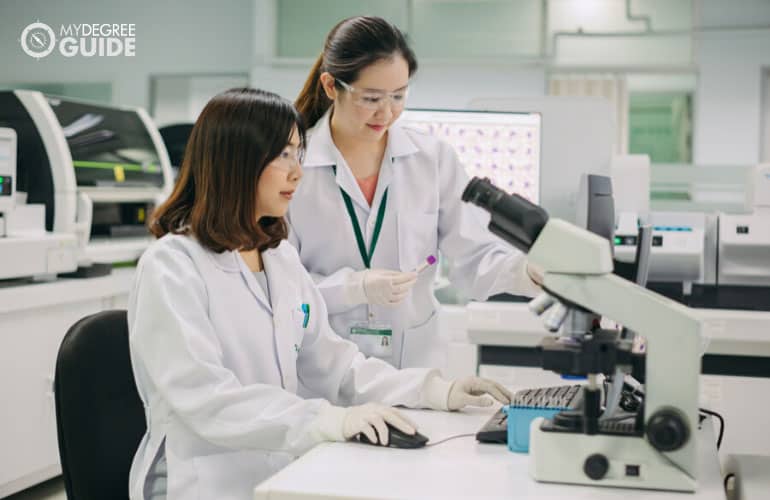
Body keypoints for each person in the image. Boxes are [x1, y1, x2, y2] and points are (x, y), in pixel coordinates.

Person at [127, 88, 513, 500]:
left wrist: (436, 390)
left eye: (298, 154)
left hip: (280, 471)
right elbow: (205, 398)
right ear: (234, 163)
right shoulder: (171, 266)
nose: (297, 172)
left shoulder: (279, 260)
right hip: (202, 482)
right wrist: (329, 420)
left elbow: (336, 366)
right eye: (282, 156)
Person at [288, 16, 542, 369]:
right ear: (331, 86)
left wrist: (529, 272)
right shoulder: (294, 166)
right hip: (324, 372)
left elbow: (474, 257)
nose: (387, 112)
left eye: (398, 95)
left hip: (414, 370)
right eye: (372, 98)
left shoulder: (431, 159)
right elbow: (282, 285)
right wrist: (353, 288)